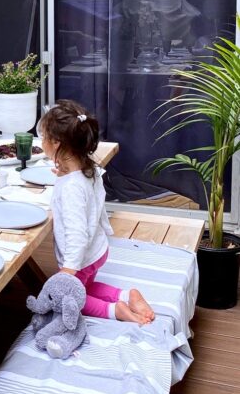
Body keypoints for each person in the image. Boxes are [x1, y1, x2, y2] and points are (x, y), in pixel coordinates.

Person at [38, 100, 155, 324]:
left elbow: (77, 232)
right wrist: (62, 172)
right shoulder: (88, 169)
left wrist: (68, 270)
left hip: (80, 259)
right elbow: (94, 202)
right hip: (97, 251)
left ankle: (116, 311)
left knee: (68, 300)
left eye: (43, 137)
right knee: (88, 286)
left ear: (56, 143)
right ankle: (126, 296)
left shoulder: (72, 187)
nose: (41, 142)